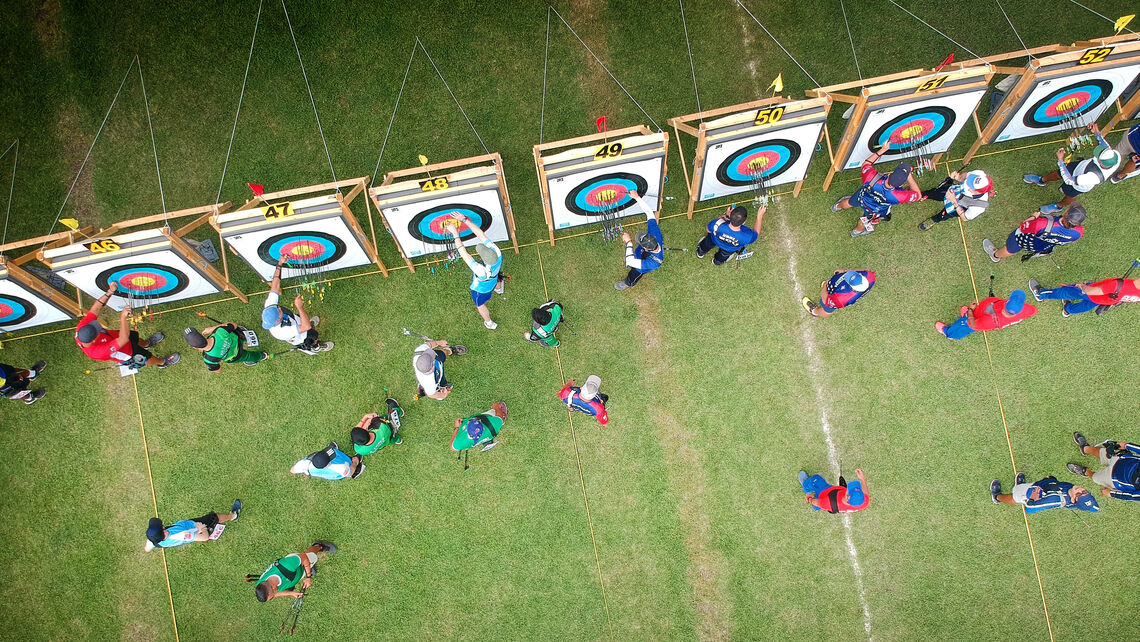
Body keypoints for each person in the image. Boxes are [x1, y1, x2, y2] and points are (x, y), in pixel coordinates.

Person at [831, 140, 925, 237]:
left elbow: (866, 164)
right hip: (875, 209)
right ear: (901, 184)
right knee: (864, 221)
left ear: (890, 174)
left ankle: (837, 207)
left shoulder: (871, 177)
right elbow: (918, 195)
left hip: (862, 197)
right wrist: (909, 176)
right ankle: (856, 232)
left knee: (849, 202)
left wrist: (883, 149)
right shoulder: (899, 196)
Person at [75, 281, 179, 369]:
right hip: (126, 352)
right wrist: (122, 317)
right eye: (97, 331)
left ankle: (147, 344)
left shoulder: (82, 328)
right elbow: (123, 339)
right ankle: (162, 362)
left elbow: (95, 309)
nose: (99, 328)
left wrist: (109, 292)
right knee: (146, 358)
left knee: (135, 338)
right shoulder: (97, 352)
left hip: (116, 336)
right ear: (94, 340)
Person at [1023, 123, 1119, 213]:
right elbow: (1104, 145)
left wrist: (1061, 161)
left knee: (1070, 194)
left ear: (1100, 162)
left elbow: (1069, 180)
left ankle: (1059, 206)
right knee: (1059, 173)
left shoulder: (1093, 177)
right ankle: (1042, 180)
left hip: (1078, 184)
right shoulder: (1115, 156)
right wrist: (1097, 132)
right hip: (1081, 166)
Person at [262, 256, 333, 355]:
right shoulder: (281, 332)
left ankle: (306, 322)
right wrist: (299, 307)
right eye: (279, 311)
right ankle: (315, 346)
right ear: (277, 320)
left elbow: (275, 285)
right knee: (312, 335)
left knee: (302, 320)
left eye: (277, 308)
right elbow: (306, 326)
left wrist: (280, 264)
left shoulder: (270, 307)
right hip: (301, 336)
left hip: (294, 320)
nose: (279, 307)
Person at [445, 213, 504, 329]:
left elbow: (463, 253)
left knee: (480, 304)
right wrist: (464, 220)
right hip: (494, 278)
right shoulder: (497, 252)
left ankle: (489, 322)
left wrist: (455, 233)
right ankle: (499, 289)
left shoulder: (481, 271)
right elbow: (480, 234)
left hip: (481, 290)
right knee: (497, 278)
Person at [982, 204, 1085, 264]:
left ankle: (995, 255)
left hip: (1028, 239)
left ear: (1067, 213)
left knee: (1011, 248)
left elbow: (1023, 227)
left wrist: (1034, 217)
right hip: (1043, 245)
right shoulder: (1079, 233)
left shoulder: (1042, 224)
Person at [253, 541, 337, 603]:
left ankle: (319, 546)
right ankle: (309, 568)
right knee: (307, 567)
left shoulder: (287, 565)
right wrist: (291, 593)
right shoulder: (262, 586)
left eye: (272, 597)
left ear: (273, 587)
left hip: (297, 562)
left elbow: (303, 557)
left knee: (310, 556)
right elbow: (275, 594)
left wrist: (308, 577)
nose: (274, 596)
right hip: (296, 573)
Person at [935, 289, 1036, 340]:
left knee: (964, 325)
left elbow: (973, 324)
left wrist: (970, 310)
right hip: (981, 313)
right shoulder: (1026, 309)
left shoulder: (990, 321)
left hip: (974, 320)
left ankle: (949, 333)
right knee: (970, 317)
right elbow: (1034, 311)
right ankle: (967, 315)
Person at [144, 500, 242, 552]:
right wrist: (202, 528)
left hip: (188, 524)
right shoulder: (182, 535)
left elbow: (147, 548)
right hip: (195, 527)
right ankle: (233, 516)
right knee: (214, 518)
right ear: (162, 532)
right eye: (160, 526)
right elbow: (204, 537)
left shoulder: (155, 541)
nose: (162, 525)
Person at [1068, 433, 1140, 502]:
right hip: (1124, 459)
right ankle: (1085, 449)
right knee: (1102, 452)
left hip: (1115, 480)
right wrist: (1126, 445)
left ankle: (1085, 472)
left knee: (1095, 477)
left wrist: (1111, 494)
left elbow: (1132, 496)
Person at [615, 190, 664, 291]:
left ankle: (628, 283)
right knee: (636, 253)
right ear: (653, 237)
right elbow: (649, 212)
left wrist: (629, 243)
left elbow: (630, 261)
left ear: (646, 248)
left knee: (635, 273)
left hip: (640, 267)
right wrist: (637, 197)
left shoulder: (653, 263)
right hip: (641, 253)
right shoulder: (655, 233)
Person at [917, 169, 994, 231]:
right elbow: (966, 175)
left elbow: (964, 217)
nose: (967, 182)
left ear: (976, 191)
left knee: (944, 215)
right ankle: (919, 195)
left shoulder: (979, 206)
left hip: (957, 207)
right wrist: (958, 177)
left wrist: (954, 201)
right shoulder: (978, 174)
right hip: (953, 190)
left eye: (970, 185)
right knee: (935, 193)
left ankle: (934, 220)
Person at [1028, 275, 1140, 317]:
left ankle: (1040, 294)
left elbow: (1090, 291)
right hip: (1105, 299)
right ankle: (1068, 310)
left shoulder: (1117, 285)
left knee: (1066, 291)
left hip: (1093, 293)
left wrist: (1082, 286)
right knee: (1087, 305)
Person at [990, 473, 1100, 514]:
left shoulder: (1055, 499)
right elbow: (1095, 508)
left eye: (1079, 494)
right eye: (1085, 491)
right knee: (1023, 487)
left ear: (1073, 500)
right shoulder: (1084, 501)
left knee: (1015, 497)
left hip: (1030, 493)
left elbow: (1029, 509)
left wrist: (1032, 498)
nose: (1080, 489)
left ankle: (997, 497)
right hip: (1041, 485)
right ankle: (1021, 485)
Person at [183, 324, 267, 372]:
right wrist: (213, 328)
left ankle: (262, 356)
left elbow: (218, 370)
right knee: (238, 333)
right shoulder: (220, 332)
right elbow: (233, 325)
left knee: (247, 356)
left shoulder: (208, 359)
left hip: (235, 356)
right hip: (237, 340)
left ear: (194, 347)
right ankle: (245, 336)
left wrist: (219, 358)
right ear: (202, 335)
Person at [696, 203, 761, 264]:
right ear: (744, 222)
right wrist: (759, 217)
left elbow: (708, 229)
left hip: (714, 239)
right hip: (729, 249)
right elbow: (756, 233)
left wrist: (725, 216)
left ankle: (700, 253)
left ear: (730, 215)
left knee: (705, 245)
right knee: (723, 256)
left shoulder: (718, 223)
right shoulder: (746, 236)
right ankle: (716, 262)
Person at [801, 269, 875, 318]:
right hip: (836, 289)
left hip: (834, 297)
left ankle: (814, 311)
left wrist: (825, 286)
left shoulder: (841, 299)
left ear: (852, 288)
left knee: (827, 310)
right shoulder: (870, 276)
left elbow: (825, 300)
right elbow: (858, 272)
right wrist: (844, 270)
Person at [798, 469, 869, 513]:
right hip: (835, 493)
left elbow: (816, 502)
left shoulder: (827, 502)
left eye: (849, 490)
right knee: (819, 504)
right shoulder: (862, 502)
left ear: (847, 497)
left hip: (826, 493)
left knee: (816, 479)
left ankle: (806, 487)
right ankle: (817, 507)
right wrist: (862, 479)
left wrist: (810, 498)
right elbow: (866, 493)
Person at [290, 442, 364, 480]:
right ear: (326, 465)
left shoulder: (304, 464)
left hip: (316, 471)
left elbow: (292, 470)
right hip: (340, 473)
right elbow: (349, 472)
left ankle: (335, 450)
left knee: (334, 452)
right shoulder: (340, 468)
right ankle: (356, 472)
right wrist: (355, 462)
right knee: (348, 465)